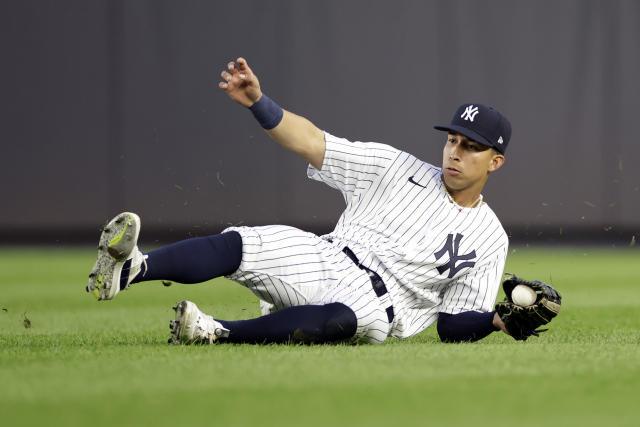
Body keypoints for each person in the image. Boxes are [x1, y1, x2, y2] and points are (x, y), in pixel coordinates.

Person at [87, 57, 513, 345]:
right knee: (241, 243)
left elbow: (454, 324)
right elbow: (312, 141)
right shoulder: (395, 166)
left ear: (495, 162)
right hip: (326, 256)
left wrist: (498, 320)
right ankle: (133, 268)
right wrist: (258, 102)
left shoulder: (490, 238)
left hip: (377, 305)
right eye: (452, 140)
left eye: (471, 147)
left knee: (342, 318)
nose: (455, 151)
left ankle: (216, 331)